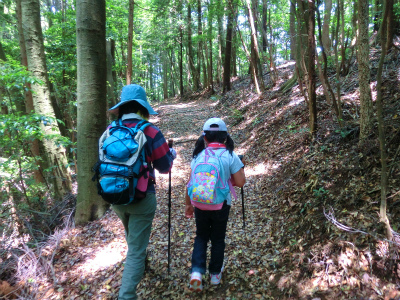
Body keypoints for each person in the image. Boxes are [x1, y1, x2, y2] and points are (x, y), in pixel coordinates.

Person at [108, 84, 176, 300]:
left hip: (115, 195)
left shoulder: (110, 130)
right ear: (142, 107)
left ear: (122, 106)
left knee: (133, 240)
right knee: (136, 248)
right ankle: (126, 295)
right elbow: (164, 167)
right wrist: (171, 154)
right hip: (143, 198)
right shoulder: (151, 131)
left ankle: (142, 267)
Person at [185, 117, 245, 292]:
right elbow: (241, 182)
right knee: (218, 238)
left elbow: (190, 183)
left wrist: (188, 205)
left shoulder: (199, 156)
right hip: (221, 204)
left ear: (204, 138)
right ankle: (215, 275)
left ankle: (196, 273)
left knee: (201, 237)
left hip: (199, 203)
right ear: (225, 137)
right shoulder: (229, 155)